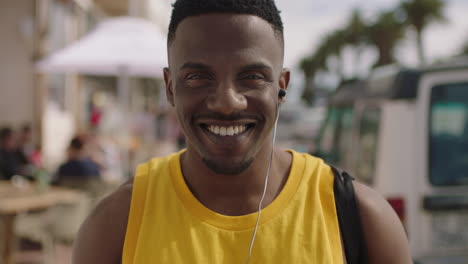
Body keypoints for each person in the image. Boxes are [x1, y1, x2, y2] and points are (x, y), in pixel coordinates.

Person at [73, 1, 412, 263]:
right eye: (198, 77)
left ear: (282, 86)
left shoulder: (359, 218)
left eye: (252, 77)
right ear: (170, 87)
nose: (226, 102)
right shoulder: (118, 223)